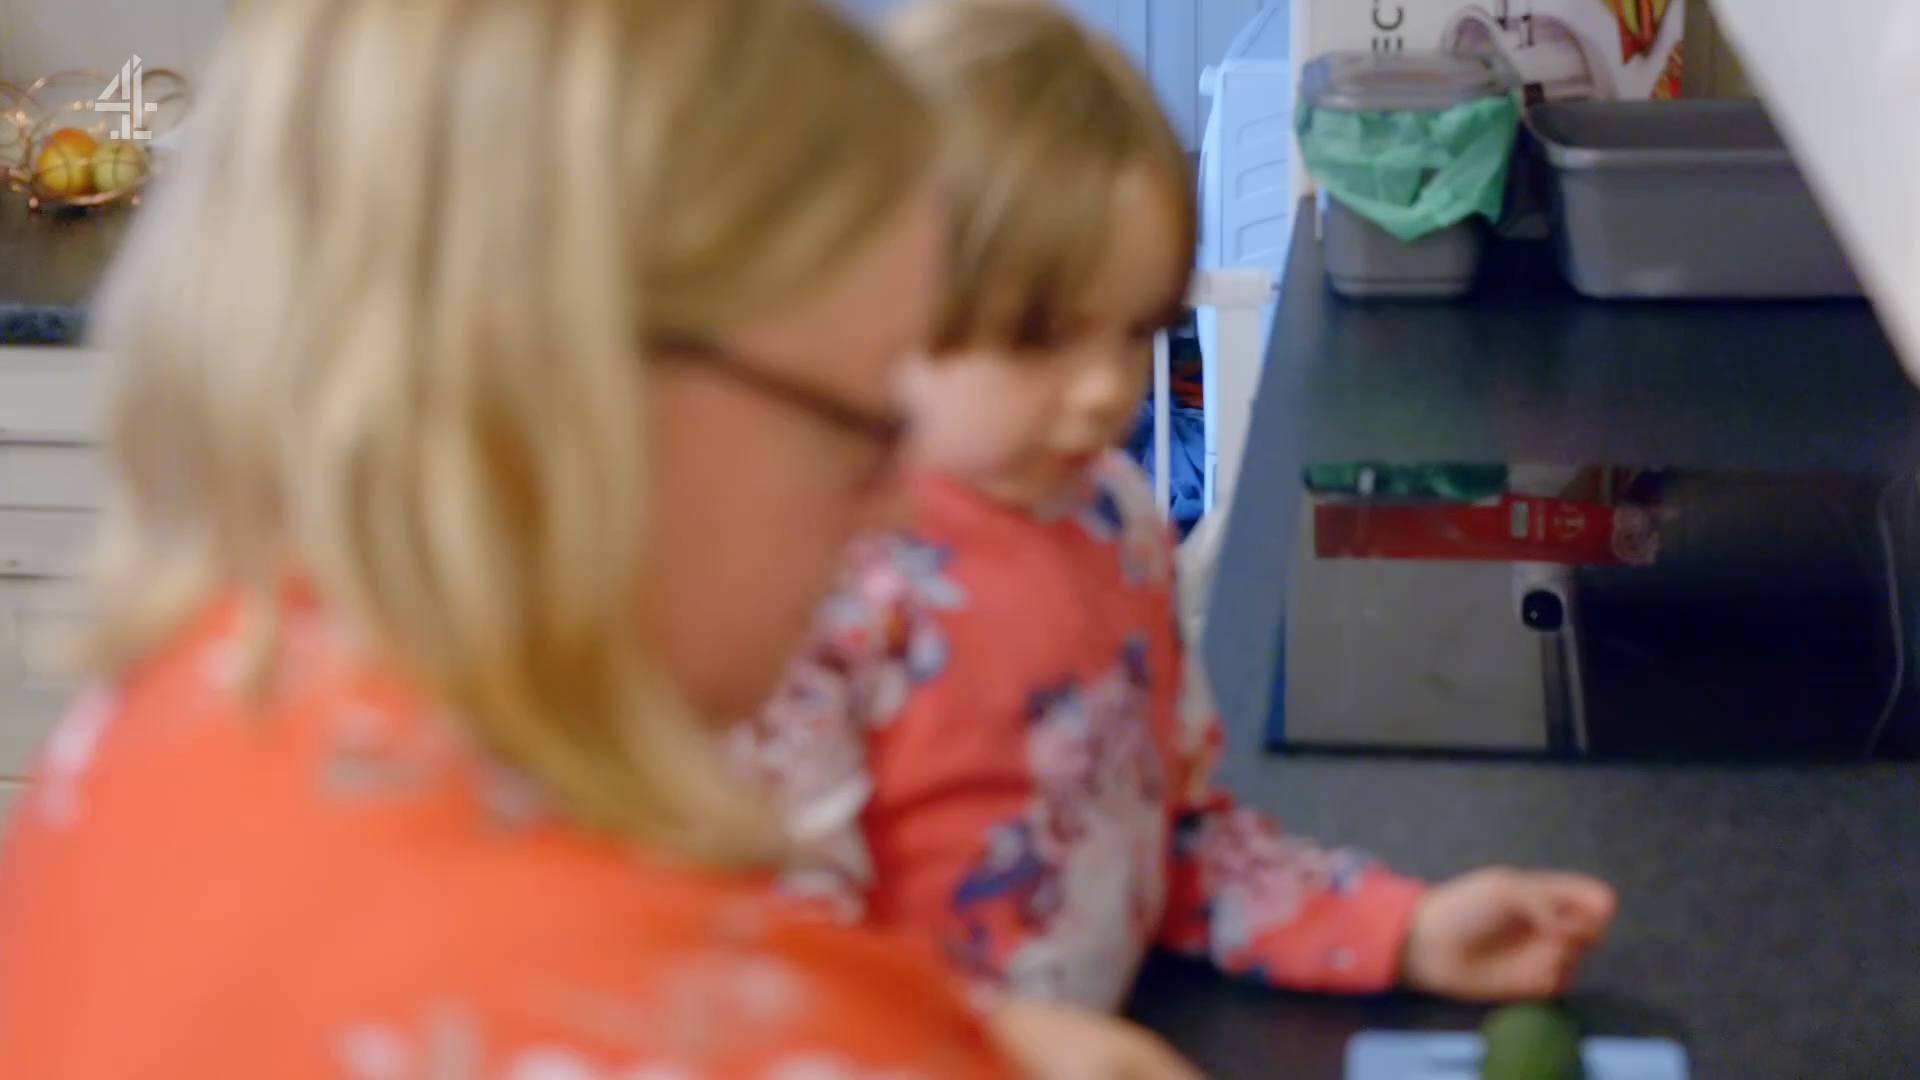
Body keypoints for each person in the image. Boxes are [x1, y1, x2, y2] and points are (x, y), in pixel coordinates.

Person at [0, 1, 1195, 1077]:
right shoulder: (720, 1025)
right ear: (585, 396)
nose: (893, 502)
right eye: (863, 420)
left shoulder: (154, 734)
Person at [737, 0, 1618, 1019]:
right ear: (872, 311)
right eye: (1041, 339)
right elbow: (781, 955)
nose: (1105, 389)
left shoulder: (1115, 521)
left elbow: (1180, 838)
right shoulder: (810, 591)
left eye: (1133, 331)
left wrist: (1405, 929)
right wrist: (1006, 1043)